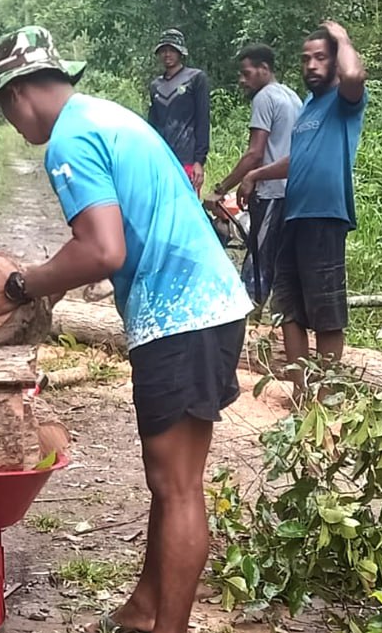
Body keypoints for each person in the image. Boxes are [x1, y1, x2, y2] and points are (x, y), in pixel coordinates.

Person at [0, 26, 252, 633]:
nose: (11, 124)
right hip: (205, 304)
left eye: (4, 109)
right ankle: (147, 608)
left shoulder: (69, 139)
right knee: (169, 480)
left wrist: (18, 286)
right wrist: (40, 283)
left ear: (16, 95)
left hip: (182, 314)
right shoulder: (101, 116)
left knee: (177, 485)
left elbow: (102, 249)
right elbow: (109, 241)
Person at [239, 22, 367, 398]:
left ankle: (326, 397)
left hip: (325, 215)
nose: (311, 65)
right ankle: (301, 393)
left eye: (321, 58)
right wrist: (256, 174)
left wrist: (342, 37)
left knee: (325, 311)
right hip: (292, 213)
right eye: (306, 58)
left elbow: (355, 75)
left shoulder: (344, 101)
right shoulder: (308, 105)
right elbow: (298, 159)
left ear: (335, 61)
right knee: (288, 308)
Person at [208, 44, 302, 304]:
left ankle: (249, 312)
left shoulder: (264, 98)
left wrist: (222, 188)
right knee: (279, 258)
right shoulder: (293, 97)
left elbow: (255, 153)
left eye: (246, 73)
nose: (242, 80)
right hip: (292, 189)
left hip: (271, 191)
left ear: (264, 69)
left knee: (259, 259)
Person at [147, 28, 210, 195]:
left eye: (172, 50)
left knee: (186, 205)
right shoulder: (155, 86)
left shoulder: (196, 78)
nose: (167, 54)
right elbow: (152, 126)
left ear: (180, 52)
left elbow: (203, 121)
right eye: (164, 50)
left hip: (187, 159)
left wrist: (199, 161)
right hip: (161, 159)